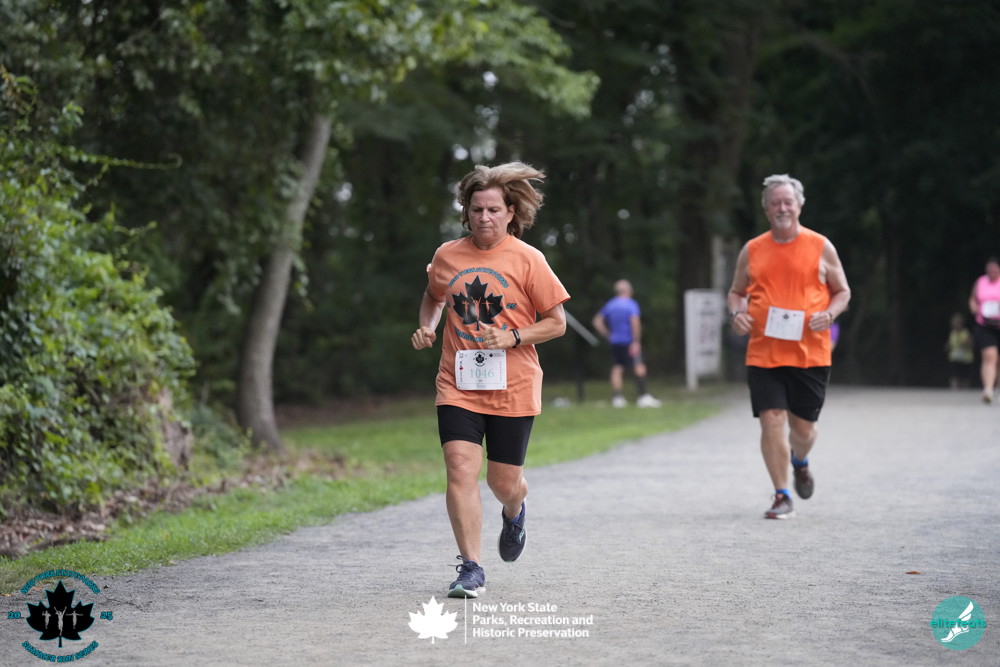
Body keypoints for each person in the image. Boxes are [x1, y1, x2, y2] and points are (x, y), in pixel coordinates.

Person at [411, 162, 570, 598]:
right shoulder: (447, 255)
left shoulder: (529, 259)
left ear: (510, 212)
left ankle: (515, 509)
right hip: (458, 382)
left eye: (494, 209)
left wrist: (513, 336)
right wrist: (427, 326)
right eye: (477, 209)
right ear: (466, 211)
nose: (484, 217)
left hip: (512, 385)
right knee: (460, 468)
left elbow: (557, 323)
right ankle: (471, 567)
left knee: (503, 483)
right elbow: (433, 297)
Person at [727, 174, 851, 519]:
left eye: (787, 202)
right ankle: (781, 495)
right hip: (764, 352)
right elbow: (736, 292)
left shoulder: (820, 246)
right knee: (771, 419)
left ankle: (800, 461)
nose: (782, 208)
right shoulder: (752, 250)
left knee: (803, 430)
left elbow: (843, 291)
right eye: (775, 203)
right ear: (766, 209)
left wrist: (830, 314)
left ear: (799, 205)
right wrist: (737, 314)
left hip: (809, 353)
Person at [592, 279, 662, 408]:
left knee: (617, 368)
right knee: (639, 366)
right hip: (629, 341)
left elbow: (597, 321)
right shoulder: (631, 304)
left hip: (615, 342)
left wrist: (607, 334)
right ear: (629, 291)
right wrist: (636, 341)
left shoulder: (611, 305)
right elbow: (635, 323)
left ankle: (617, 398)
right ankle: (643, 396)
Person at [968, 257, 1000, 403]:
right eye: (989, 270)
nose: (992, 272)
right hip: (984, 324)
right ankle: (988, 389)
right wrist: (974, 307)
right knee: (989, 356)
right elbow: (973, 298)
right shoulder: (980, 282)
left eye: (995, 269)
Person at [945, 312, 974, 390]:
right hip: (954, 358)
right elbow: (950, 344)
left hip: (965, 359)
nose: (955, 325)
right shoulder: (952, 333)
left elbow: (970, 345)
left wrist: (966, 343)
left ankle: (965, 391)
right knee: (954, 375)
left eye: (957, 323)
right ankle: (954, 390)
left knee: (965, 377)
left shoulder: (966, 332)